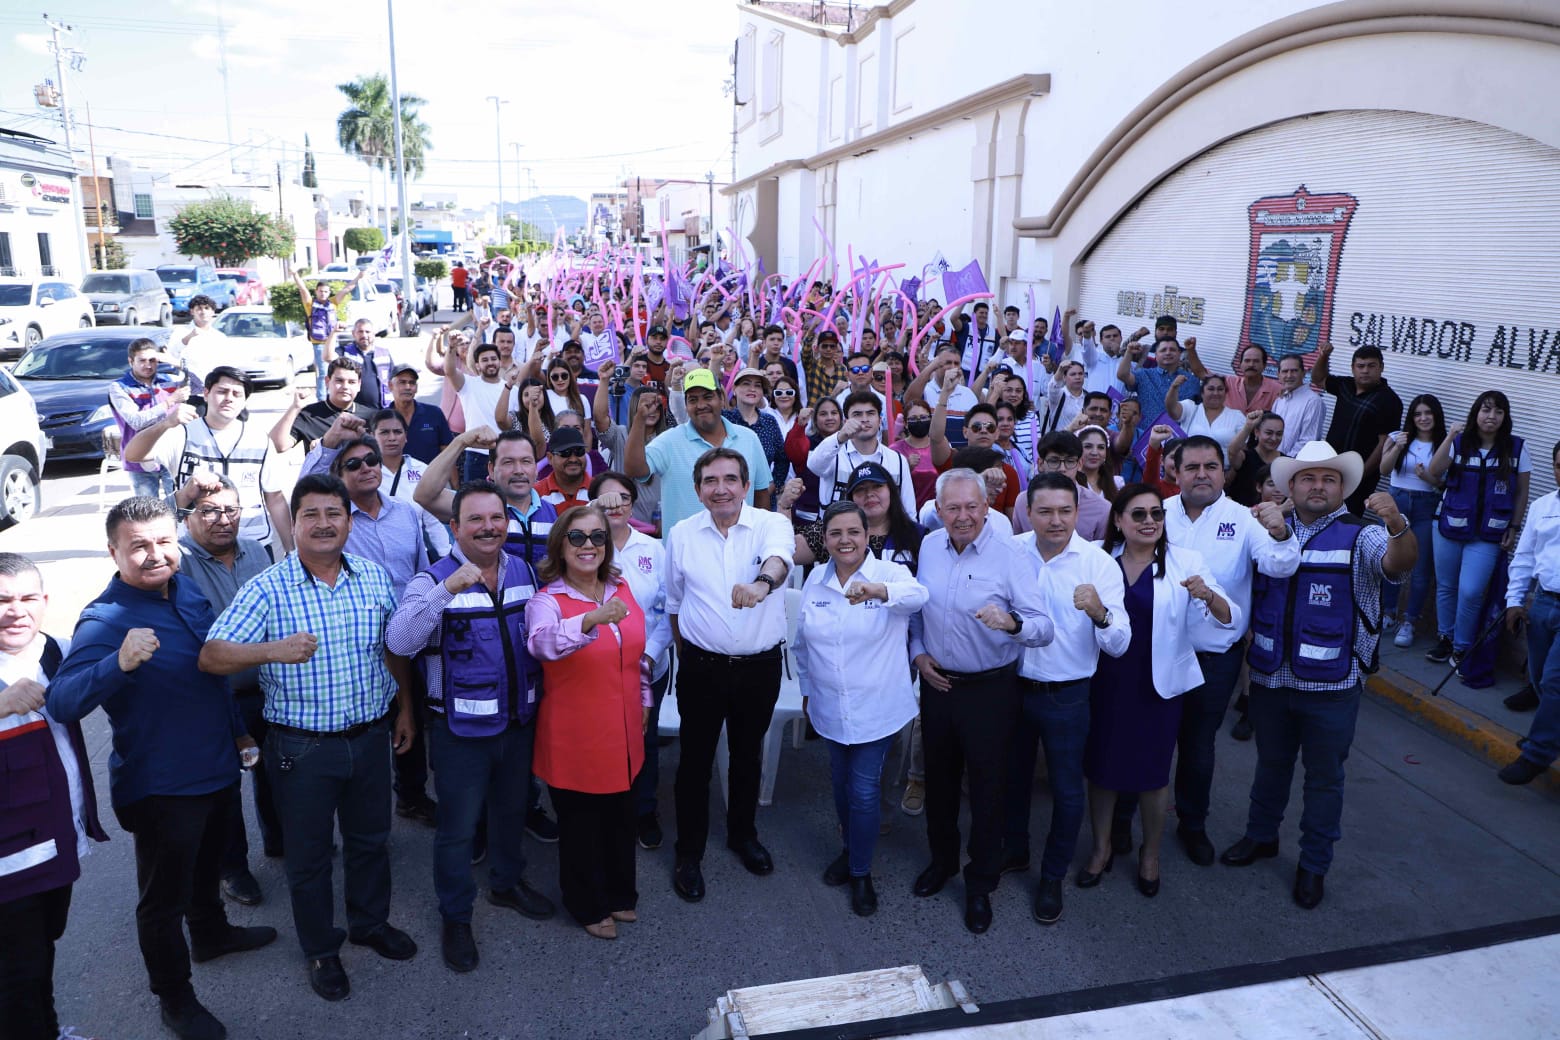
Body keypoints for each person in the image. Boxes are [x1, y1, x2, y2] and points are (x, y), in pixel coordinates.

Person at [49, 497, 275, 1040]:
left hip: (217, 766)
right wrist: (117, 662)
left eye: (164, 541)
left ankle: (212, 934)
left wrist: (239, 733)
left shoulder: (185, 590)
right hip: (163, 786)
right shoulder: (104, 621)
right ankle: (174, 997)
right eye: (139, 546)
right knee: (162, 901)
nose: (155, 555)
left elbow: (212, 673)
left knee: (209, 866)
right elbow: (62, 701)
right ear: (113, 552)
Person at [200, 475, 418, 1002]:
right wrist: (271, 650)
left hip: (369, 737)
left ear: (348, 521)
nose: (323, 524)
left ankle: (369, 923)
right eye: (311, 515)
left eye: (333, 513)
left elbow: (393, 647)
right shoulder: (267, 588)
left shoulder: (371, 576)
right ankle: (321, 949)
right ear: (292, 524)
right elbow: (211, 655)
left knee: (370, 842)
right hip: (302, 750)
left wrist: (406, 709)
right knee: (309, 857)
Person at [1223, 442, 1417, 909]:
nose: (1318, 486)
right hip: (1270, 678)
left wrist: (1397, 523)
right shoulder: (1266, 529)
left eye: (1329, 479)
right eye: (1308, 478)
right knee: (1270, 765)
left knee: (1324, 779)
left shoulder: (1364, 535)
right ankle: (1261, 835)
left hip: (1332, 686)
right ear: (1290, 486)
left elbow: (1400, 563)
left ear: (1343, 489)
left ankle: (1314, 864)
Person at [386, 480, 556, 974]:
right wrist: (448, 590)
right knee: (458, 831)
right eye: (476, 519)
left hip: (517, 723)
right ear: (455, 527)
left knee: (510, 812)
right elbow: (399, 641)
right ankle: (456, 916)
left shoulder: (524, 570)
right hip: (459, 732)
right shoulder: (431, 580)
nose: (488, 527)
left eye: (496, 517)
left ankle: (506, 883)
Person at [1113, 436, 1298, 866]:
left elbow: (1280, 564)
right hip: (1152, 652)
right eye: (1192, 467)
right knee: (1139, 738)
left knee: (1197, 747)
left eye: (1210, 466)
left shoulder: (1244, 519)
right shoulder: (1155, 511)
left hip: (1214, 659)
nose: (1201, 475)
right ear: (1175, 472)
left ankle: (1192, 825)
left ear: (1224, 472)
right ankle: (1121, 820)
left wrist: (1280, 531)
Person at [908, 468, 1052, 934]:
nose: (963, 516)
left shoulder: (1011, 556)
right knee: (940, 782)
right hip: (938, 686)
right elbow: (917, 614)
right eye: (953, 507)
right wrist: (919, 654)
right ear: (939, 510)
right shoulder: (930, 546)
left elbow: (1043, 627)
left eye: (972, 506)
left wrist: (1012, 623)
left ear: (987, 507)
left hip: (991, 690)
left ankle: (980, 883)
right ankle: (942, 861)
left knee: (988, 790)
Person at [1079, 485, 1236, 900]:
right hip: (1105, 681)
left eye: (1156, 514)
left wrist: (1208, 595)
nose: (1150, 521)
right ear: (1118, 521)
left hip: (1157, 687)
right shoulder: (1097, 557)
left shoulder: (1186, 561)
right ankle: (1101, 847)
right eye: (1139, 514)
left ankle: (1150, 854)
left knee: (1152, 775)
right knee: (1101, 768)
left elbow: (1229, 617)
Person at [663, 447, 793, 903]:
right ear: (698, 490)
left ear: (745, 485)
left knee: (747, 755)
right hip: (701, 667)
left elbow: (779, 561)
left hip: (759, 668)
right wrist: (688, 655)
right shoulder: (681, 534)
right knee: (694, 762)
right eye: (711, 481)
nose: (721, 489)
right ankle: (688, 852)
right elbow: (675, 601)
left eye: (730, 479)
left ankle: (742, 835)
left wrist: (761, 584)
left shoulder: (771, 523)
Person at [1002, 474, 1130, 925]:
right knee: (1011, 779)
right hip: (1011, 688)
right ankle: (1015, 851)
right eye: (1045, 511)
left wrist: (1100, 613)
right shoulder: (1009, 551)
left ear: (1078, 512)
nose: (1055, 520)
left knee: (1067, 790)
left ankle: (1052, 875)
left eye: (1065, 511)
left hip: (1068, 695)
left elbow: (1119, 643)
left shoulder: (1098, 564)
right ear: (1028, 513)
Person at [796, 501, 928, 917]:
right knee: (840, 786)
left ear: (867, 535)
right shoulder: (815, 580)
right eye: (835, 533)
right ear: (825, 539)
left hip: (877, 708)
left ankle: (860, 871)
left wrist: (878, 591)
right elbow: (802, 646)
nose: (845, 540)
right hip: (830, 706)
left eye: (853, 532)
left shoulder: (890, 574)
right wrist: (806, 690)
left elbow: (919, 596)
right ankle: (850, 849)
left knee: (864, 790)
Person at [526, 506, 651, 940]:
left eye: (597, 537)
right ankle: (585, 904)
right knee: (581, 826)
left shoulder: (621, 587)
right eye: (577, 537)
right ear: (560, 545)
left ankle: (619, 894)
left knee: (621, 817)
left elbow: (637, 652)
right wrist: (590, 619)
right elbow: (541, 644)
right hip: (575, 733)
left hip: (624, 728)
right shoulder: (546, 600)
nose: (588, 546)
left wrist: (645, 697)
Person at [0, 554, 109, 1040]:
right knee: (18, 971)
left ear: (44, 601)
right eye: (2, 600)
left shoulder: (56, 650)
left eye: (27, 598)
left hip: (55, 837)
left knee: (42, 948)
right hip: (7, 859)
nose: (16, 611)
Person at [175, 475, 279, 908]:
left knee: (275, 771)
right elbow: (142, 533)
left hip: (267, 688)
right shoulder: (177, 559)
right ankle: (232, 868)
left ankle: (280, 839)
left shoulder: (257, 550)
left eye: (231, 510)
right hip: (214, 696)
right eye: (209, 511)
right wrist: (177, 499)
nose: (222, 520)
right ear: (188, 517)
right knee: (224, 791)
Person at [123, 365, 294, 556]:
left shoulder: (260, 440)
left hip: (253, 543)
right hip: (196, 547)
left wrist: (290, 549)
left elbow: (275, 498)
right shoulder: (182, 433)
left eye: (237, 394)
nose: (229, 398)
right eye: (222, 391)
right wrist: (165, 424)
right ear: (206, 394)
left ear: (244, 401)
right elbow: (133, 454)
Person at [590, 473, 672, 848]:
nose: (616, 505)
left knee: (644, 740)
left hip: (647, 665)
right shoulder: (582, 546)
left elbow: (668, 608)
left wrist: (649, 657)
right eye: (606, 499)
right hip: (598, 668)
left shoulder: (652, 548)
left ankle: (644, 809)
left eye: (624, 497)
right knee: (600, 739)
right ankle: (603, 807)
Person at [1426, 390, 1530, 668]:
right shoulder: (1460, 442)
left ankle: (1461, 647)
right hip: (1449, 525)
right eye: (1486, 410)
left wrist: (1515, 527)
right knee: (1446, 586)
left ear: (1505, 417)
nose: (1491, 416)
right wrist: (1451, 435)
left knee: (1471, 591)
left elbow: (1521, 492)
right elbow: (1434, 471)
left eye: (1498, 411)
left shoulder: (1517, 448)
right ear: (1476, 413)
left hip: (1488, 534)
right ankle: (1445, 638)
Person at [626, 368, 772, 532]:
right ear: (686, 405)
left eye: (708, 397)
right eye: (693, 400)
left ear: (721, 398)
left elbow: (761, 493)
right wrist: (640, 418)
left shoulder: (749, 438)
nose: (701, 405)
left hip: (740, 545)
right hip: (685, 547)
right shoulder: (669, 441)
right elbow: (634, 470)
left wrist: (761, 537)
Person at [1499, 440, 1560, 785]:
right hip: (1544, 603)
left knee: (1554, 681)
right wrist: (1514, 601)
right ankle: (1549, 733)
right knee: (1538, 679)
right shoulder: (1541, 506)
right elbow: (1523, 558)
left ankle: (1537, 754)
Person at [418, 428, 558, 569]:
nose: (519, 470)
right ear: (491, 469)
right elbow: (424, 495)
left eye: (526, 461)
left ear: (535, 468)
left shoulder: (554, 512)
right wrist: (460, 442)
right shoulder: (471, 505)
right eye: (508, 462)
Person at [1379, 394, 1446, 648]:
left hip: (1426, 504)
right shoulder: (1397, 436)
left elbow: (1445, 483)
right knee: (1391, 560)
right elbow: (1384, 470)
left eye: (1428, 413)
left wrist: (1428, 477)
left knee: (1421, 567)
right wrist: (1397, 447)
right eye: (1418, 414)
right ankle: (1388, 612)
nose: (1423, 418)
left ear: (1436, 415)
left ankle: (1410, 621)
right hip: (1397, 501)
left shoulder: (1445, 443)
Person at [1310, 343, 1404, 515]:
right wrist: (1324, 356)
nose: (1365, 370)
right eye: (1360, 366)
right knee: (1318, 512)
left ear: (1381, 367)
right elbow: (1318, 379)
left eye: (1371, 366)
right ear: (1353, 368)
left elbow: (1384, 444)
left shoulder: (1390, 401)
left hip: (1359, 479)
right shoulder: (1345, 385)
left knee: (1345, 519)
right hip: (1329, 466)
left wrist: (1359, 475)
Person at [809, 390, 916, 517]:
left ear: (880, 420)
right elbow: (814, 465)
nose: (864, 419)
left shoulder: (897, 460)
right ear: (846, 421)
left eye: (870, 413)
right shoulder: (833, 454)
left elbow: (909, 511)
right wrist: (840, 436)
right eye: (857, 414)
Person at [108, 337, 190, 499]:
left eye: (153, 360)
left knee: (178, 503)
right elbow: (136, 421)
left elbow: (202, 383)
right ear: (131, 361)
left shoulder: (170, 380)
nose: (148, 365)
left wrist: (179, 364)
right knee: (148, 509)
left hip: (170, 453)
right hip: (141, 456)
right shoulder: (119, 387)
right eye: (142, 361)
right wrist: (170, 401)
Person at [273, 358, 379, 455]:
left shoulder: (371, 416)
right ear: (327, 382)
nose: (345, 386)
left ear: (359, 385)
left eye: (351, 382)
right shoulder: (309, 415)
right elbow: (278, 446)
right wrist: (294, 408)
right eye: (339, 381)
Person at [292, 265, 365, 397]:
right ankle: (321, 399)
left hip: (333, 343)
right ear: (316, 291)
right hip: (319, 344)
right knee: (323, 373)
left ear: (329, 292)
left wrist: (358, 277)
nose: (323, 294)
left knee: (337, 371)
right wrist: (295, 274)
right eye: (321, 291)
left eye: (326, 291)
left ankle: (334, 395)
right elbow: (302, 289)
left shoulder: (333, 302)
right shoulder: (310, 304)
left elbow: (347, 289)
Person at [448, 343, 510, 482]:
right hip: (476, 454)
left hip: (504, 454)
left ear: (500, 362)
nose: (490, 363)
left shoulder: (512, 389)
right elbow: (450, 371)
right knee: (472, 495)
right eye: (485, 360)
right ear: (477, 365)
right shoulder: (467, 384)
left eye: (493, 359)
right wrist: (451, 347)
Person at [1116, 336, 1200, 427]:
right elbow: (1122, 375)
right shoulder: (1144, 374)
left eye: (1172, 350)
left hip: (1177, 434)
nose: (1168, 353)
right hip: (1146, 433)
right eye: (1163, 350)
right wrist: (1129, 352)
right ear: (1156, 355)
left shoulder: (1192, 381)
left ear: (1179, 353)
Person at [385, 363, 455, 464]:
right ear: (390, 386)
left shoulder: (434, 414)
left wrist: (452, 475)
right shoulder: (382, 419)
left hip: (431, 473)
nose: (408, 387)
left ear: (416, 388)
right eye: (402, 382)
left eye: (412, 383)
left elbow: (448, 454)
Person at [1227, 411, 1286, 508]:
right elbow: (1232, 451)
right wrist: (1248, 426)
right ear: (1257, 432)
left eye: (1279, 434)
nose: (1274, 438)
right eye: (1269, 433)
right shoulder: (1245, 457)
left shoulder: (1287, 462)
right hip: (1242, 513)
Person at [1166, 372, 1245, 445]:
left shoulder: (1237, 416)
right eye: (1211, 389)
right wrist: (1174, 387)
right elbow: (1172, 409)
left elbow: (1242, 448)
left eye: (1220, 389)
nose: (1216, 393)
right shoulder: (1190, 408)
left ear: (1225, 393)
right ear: (1202, 393)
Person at [888, 398, 938, 510]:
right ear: (905, 424)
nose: (919, 421)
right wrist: (905, 468)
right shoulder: (895, 450)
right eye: (913, 419)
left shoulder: (939, 447)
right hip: (906, 512)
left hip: (936, 513)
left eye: (923, 417)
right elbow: (888, 485)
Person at [1271, 353, 1326, 455]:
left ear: (1303, 373)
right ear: (1278, 375)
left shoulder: (1313, 401)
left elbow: (1308, 441)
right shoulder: (1280, 400)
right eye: (1285, 371)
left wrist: (1284, 460)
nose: (1289, 375)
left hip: (1292, 462)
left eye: (1294, 371)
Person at [336, 319, 394, 409]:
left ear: (373, 334)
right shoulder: (344, 352)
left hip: (382, 410)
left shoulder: (384, 353)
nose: (364, 335)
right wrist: (334, 332)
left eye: (367, 332)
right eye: (360, 332)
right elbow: (327, 357)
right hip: (353, 411)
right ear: (353, 334)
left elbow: (394, 379)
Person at [175, 295, 226, 398]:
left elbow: (225, 363)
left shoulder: (220, 337)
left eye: (207, 308)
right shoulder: (180, 332)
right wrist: (189, 337)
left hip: (213, 389)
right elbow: (172, 354)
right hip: (190, 390)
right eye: (199, 309)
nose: (203, 312)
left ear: (213, 312)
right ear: (192, 312)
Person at [535, 426, 593, 515]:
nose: (573, 459)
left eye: (579, 451)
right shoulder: (535, 494)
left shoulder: (599, 489)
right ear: (550, 458)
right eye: (565, 453)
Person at [1219, 344, 1283, 414]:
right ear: (1240, 364)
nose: (1251, 364)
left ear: (1264, 365)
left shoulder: (1277, 390)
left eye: (1256, 361)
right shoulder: (1228, 382)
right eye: (1247, 361)